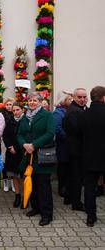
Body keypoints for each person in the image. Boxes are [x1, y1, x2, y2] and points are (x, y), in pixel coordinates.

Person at [17, 92, 56, 226]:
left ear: (40, 102)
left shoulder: (47, 115)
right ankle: (36, 208)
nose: (32, 102)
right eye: (30, 100)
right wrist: (24, 144)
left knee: (43, 185)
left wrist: (34, 145)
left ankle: (47, 214)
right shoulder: (25, 117)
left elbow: (50, 133)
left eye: (35, 100)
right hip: (29, 156)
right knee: (31, 182)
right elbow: (20, 134)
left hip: (42, 155)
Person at [79, 86, 105, 227]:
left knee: (89, 188)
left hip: (88, 156)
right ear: (103, 97)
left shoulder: (84, 115)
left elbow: (79, 136)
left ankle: (91, 217)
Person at [63, 88, 88, 211]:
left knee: (72, 175)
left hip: (75, 149)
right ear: (74, 97)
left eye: (84, 97)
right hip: (76, 150)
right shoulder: (74, 111)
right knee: (76, 177)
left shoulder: (78, 109)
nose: (83, 99)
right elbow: (76, 131)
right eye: (80, 97)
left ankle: (68, 198)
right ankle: (76, 203)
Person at [2, 102, 24, 208]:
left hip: (22, 152)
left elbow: (26, 136)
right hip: (11, 152)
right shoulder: (9, 121)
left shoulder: (26, 121)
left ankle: (25, 196)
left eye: (17, 110)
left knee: (22, 176)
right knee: (14, 175)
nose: (15, 112)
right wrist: (9, 146)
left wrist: (17, 147)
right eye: (14, 110)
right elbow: (5, 136)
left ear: (22, 110)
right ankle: (17, 196)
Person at [53, 92, 73, 198]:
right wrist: (68, 138)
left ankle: (67, 188)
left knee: (68, 167)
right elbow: (57, 129)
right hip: (63, 145)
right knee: (63, 168)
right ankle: (62, 188)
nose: (71, 101)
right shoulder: (58, 113)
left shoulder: (68, 110)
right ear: (63, 101)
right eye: (69, 99)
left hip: (68, 145)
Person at [2, 97, 16, 192]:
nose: (8, 106)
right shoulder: (2, 114)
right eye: (7, 104)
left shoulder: (15, 114)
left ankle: (13, 182)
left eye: (10, 104)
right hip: (4, 141)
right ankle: (5, 181)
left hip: (13, 142)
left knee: (12, 162)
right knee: (4, 162)